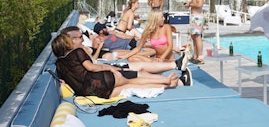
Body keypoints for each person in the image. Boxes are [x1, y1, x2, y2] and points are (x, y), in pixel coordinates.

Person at [51, 33, 191, 99]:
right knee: (134, 78)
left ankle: (175, 83)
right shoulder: (77, 52)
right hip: (100, 80)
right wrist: (113, 68)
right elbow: (92, 68)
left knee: (130, 87)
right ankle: (165, 80)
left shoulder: (59, 64)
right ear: (67, 44)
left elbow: (65, 82)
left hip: (90, 92)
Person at [184, 0, 205, 64]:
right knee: (193, 36)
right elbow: (196, 2)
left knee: (197, 37)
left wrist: (189, 4)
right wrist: (190, 3)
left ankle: (200, 57)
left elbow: (199, 4)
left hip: (197, 17)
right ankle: (196, 56)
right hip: (194, 16)